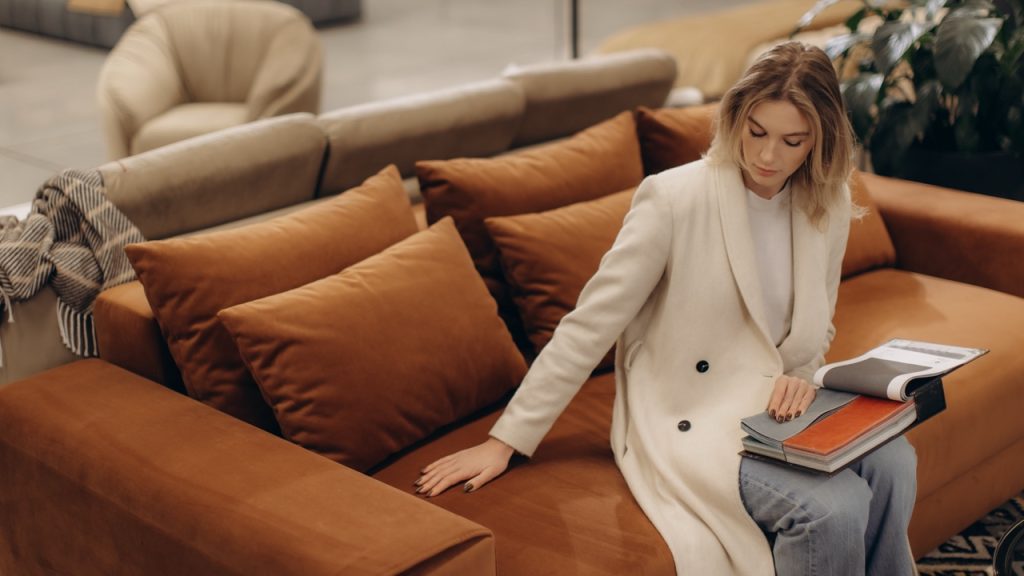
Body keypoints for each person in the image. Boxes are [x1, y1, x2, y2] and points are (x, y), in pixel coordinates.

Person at [414, 41, 917, 576]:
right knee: (832, 509)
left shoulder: (828, 198)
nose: (768, 157)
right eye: (756, 132)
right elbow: (589, 325)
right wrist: (505, 441)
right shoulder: (673, 199)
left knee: (894, 461)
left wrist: (799, 372)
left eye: (793, 141)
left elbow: (819, 322)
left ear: (820, 141)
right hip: (694, 414)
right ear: (735, 117)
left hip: (782, 404)